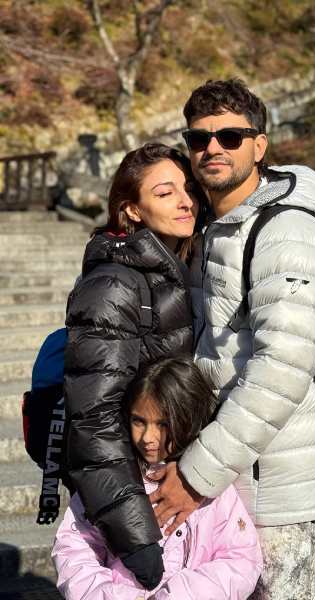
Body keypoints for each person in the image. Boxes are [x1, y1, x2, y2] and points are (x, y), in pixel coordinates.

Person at [148, 79, 315, 600]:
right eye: (199, 139)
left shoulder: (288, 232)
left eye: (231, 136)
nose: (212, 148)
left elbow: (280, 368)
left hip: (285, 491)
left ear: (260, 145)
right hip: (237, 482)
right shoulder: (218, 229)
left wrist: (194, 475)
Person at [63, 143, 202, 590]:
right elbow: (96, 418)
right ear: (133, 211)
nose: (185, 201)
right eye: (165, 193)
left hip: (164, 486)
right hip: (137, 509)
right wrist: (138, 542)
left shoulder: (175, 270)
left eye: (188, 189)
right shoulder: (115, 285)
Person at [53, 357, 262, 599]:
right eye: (138, 421)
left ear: (188, 418)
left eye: (163, 424)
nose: (148, 438)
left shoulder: (210, 489)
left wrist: (182, 594)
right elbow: (73, 546)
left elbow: (241, 558)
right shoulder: (111, 480)